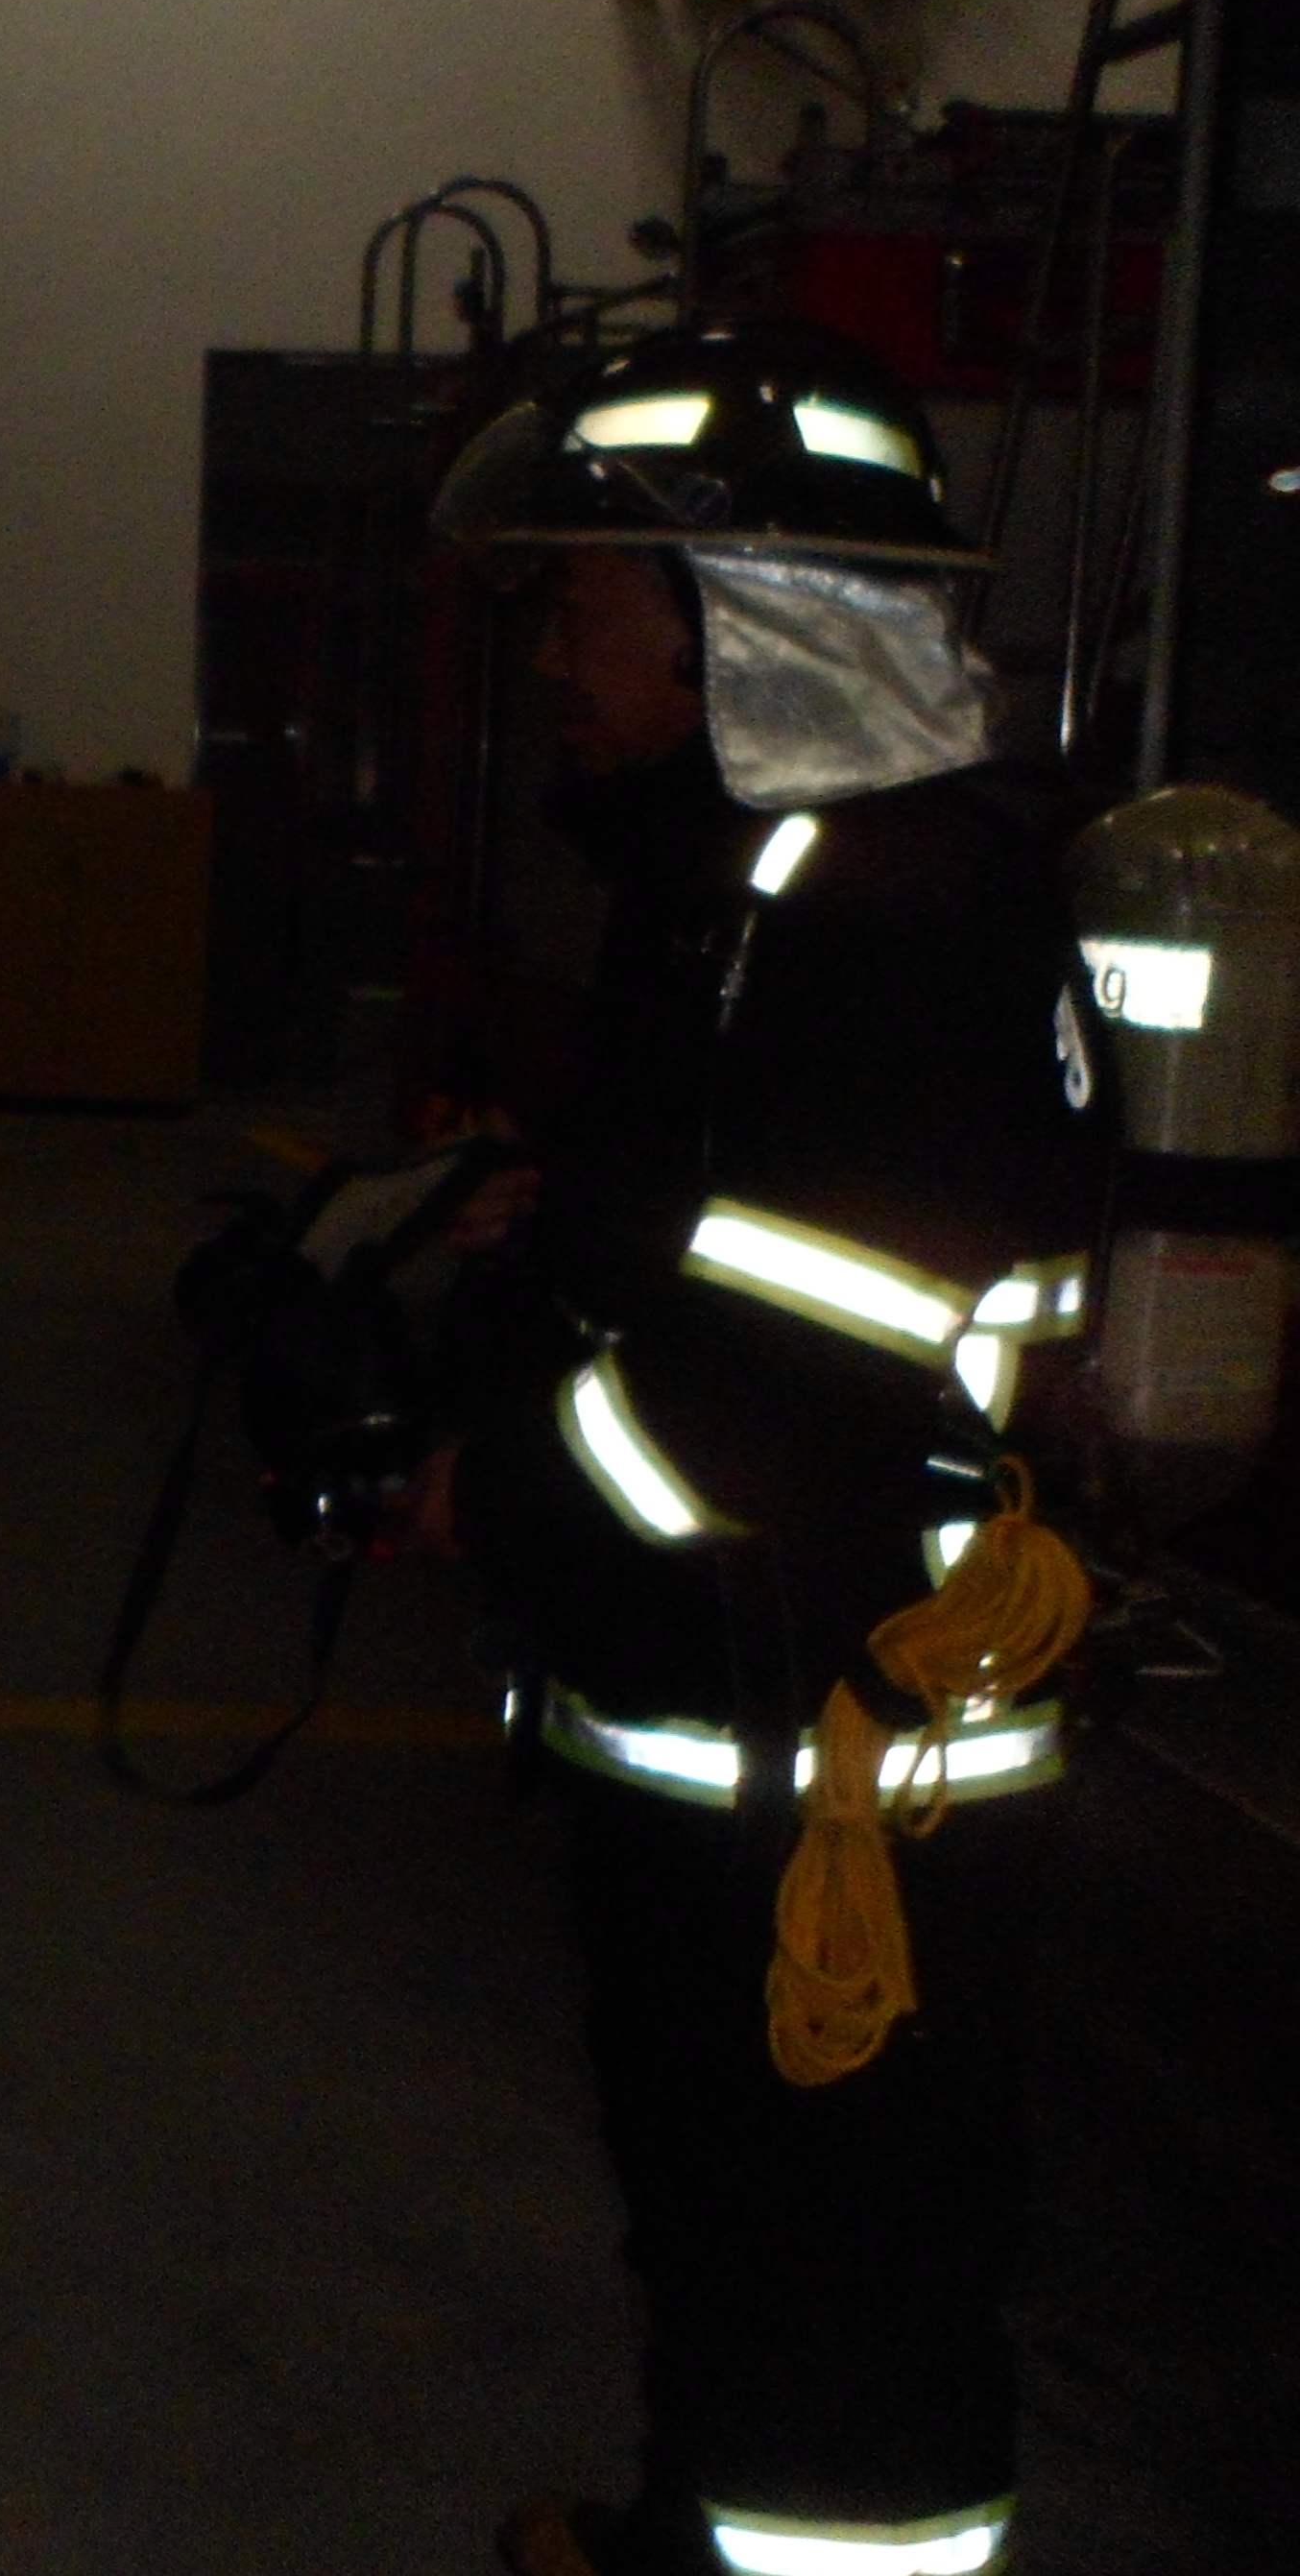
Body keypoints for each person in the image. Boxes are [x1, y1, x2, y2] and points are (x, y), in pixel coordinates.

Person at [420, 322, 1103, 2576]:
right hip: (737, 1703)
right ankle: (688, 2535)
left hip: (841, 1737)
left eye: (582, 600)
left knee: (842, 2261)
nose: (555, 657)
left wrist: (501, 1480)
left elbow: (795, 1389)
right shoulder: (762, 878)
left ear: (744, 614)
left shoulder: (883, 913)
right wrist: (550, 1237)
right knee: (724, 2200)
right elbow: (713, 1241)